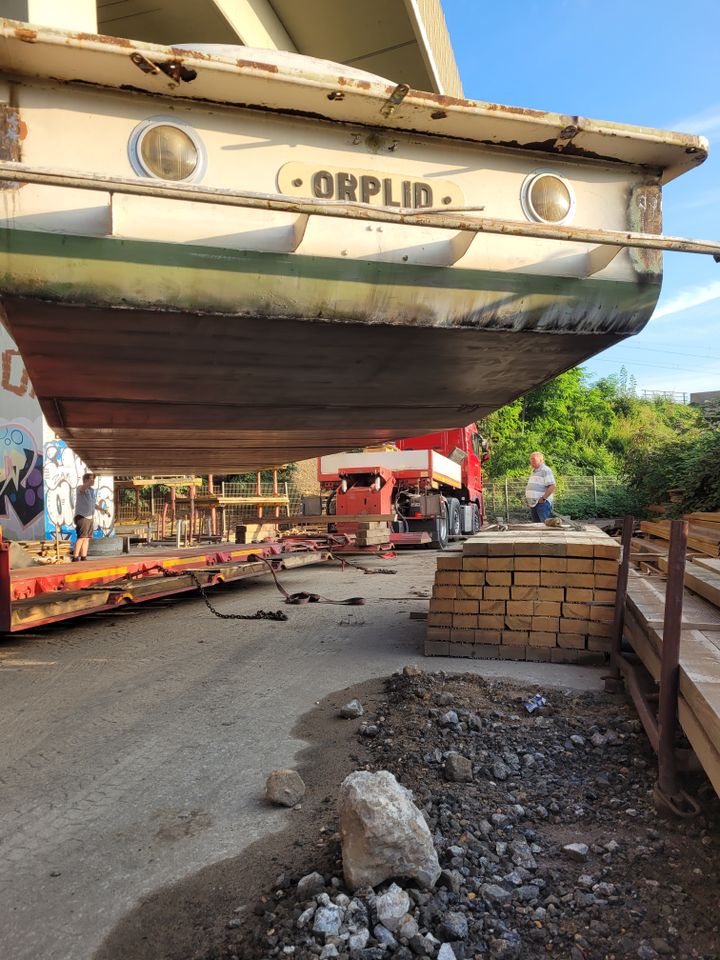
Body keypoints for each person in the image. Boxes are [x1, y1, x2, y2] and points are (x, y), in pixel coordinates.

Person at [72, 473, 109, 561]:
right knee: (81, 537)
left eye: (93, 480)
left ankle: (84, 556)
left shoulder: (92, 491)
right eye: (91, 479)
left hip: (90, 517)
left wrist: (102, 509)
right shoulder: (81, 488)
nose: (93, 481)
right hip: (82, 516)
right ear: (85, 480)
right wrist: (88, 482)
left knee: (87, 538)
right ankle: (75, 556)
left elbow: (93, 504)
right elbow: (83, 488)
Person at [525, 452, 556, 522]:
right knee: (536, 527)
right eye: (531, 459)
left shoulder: (545, 470)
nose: (532, 461)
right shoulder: (533, 471)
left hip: (542, 504)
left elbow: (552, 486)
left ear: (541, 460)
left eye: (534, 459)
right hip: (534, 504)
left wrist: (543, 498)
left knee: (545, 526)